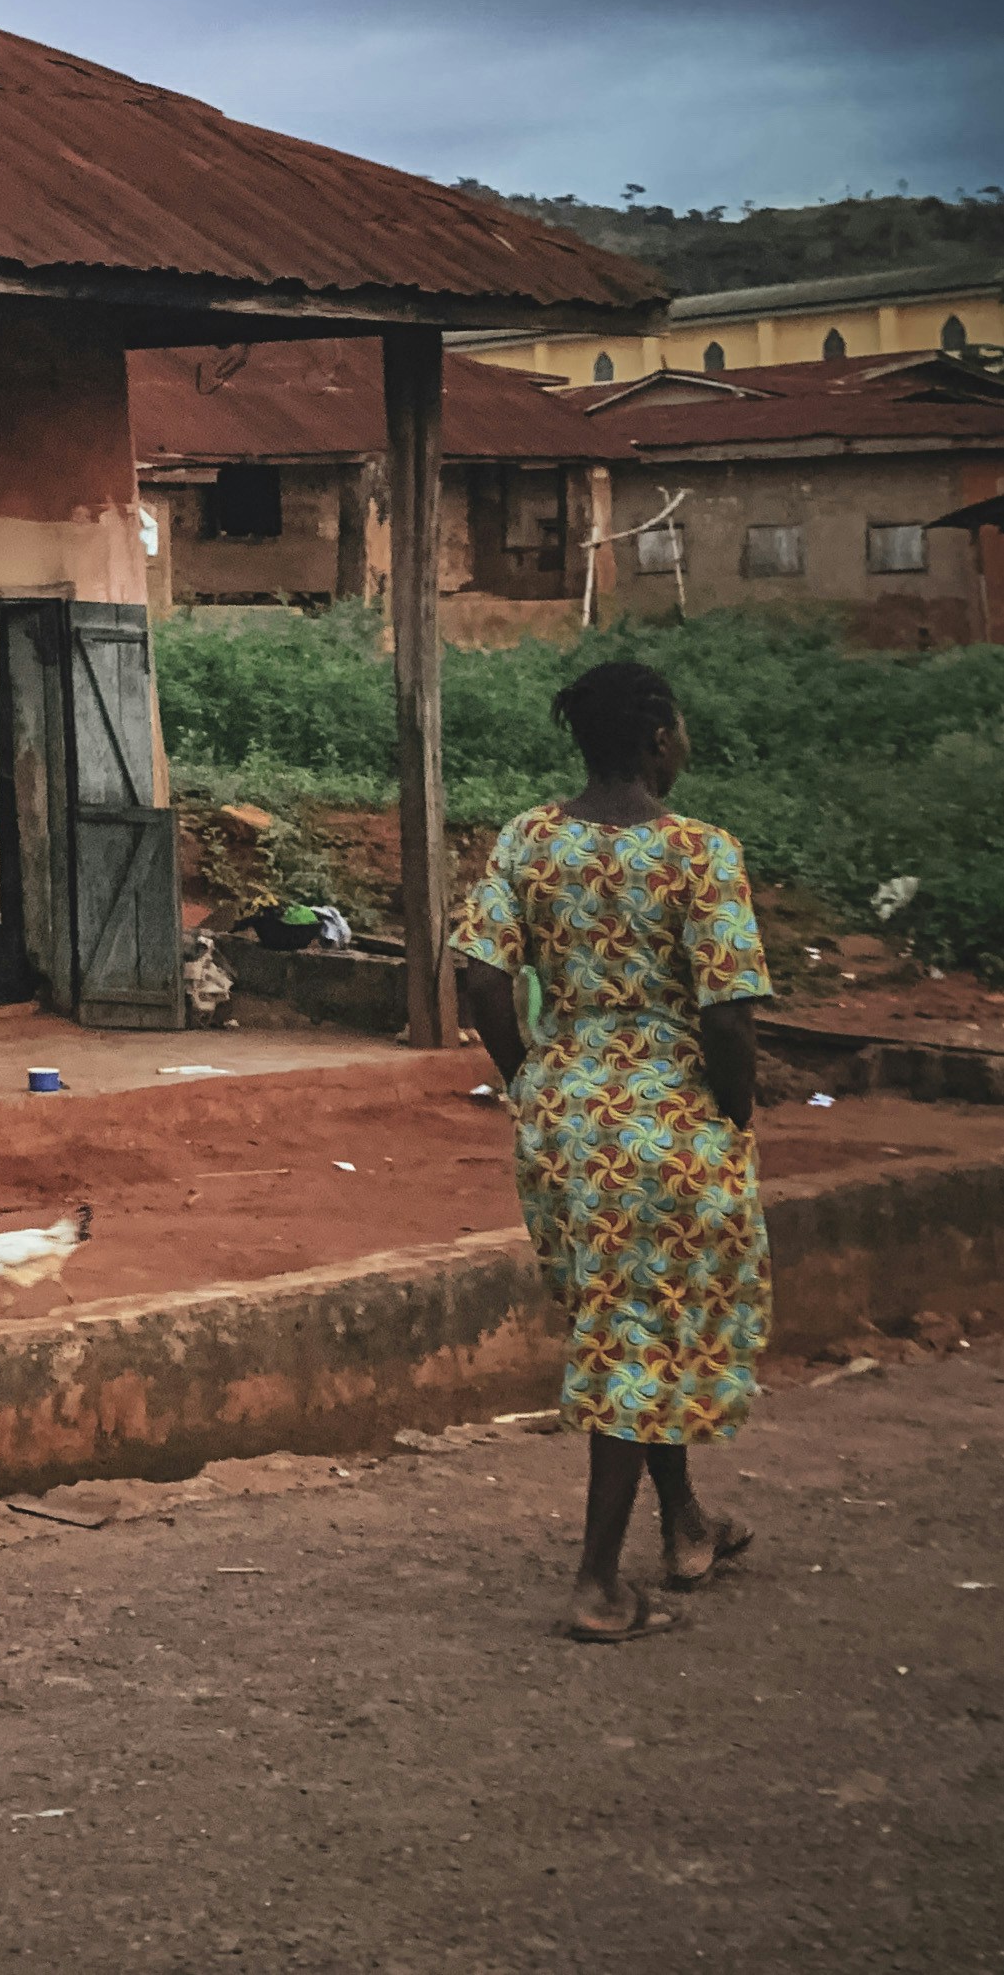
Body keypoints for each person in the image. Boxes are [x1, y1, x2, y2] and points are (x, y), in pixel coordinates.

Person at [448, 657, 768, 1643]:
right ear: (660, 737)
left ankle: (686, 1523)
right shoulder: (701, 853)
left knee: (629, 1319)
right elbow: (728, 1014)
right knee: (638, 1333)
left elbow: (479, 977)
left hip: (564, 1123)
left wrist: (530, 1078)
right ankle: (597, 1585)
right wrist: (733, 1112)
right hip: (670, 1122)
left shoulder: (528, 839)